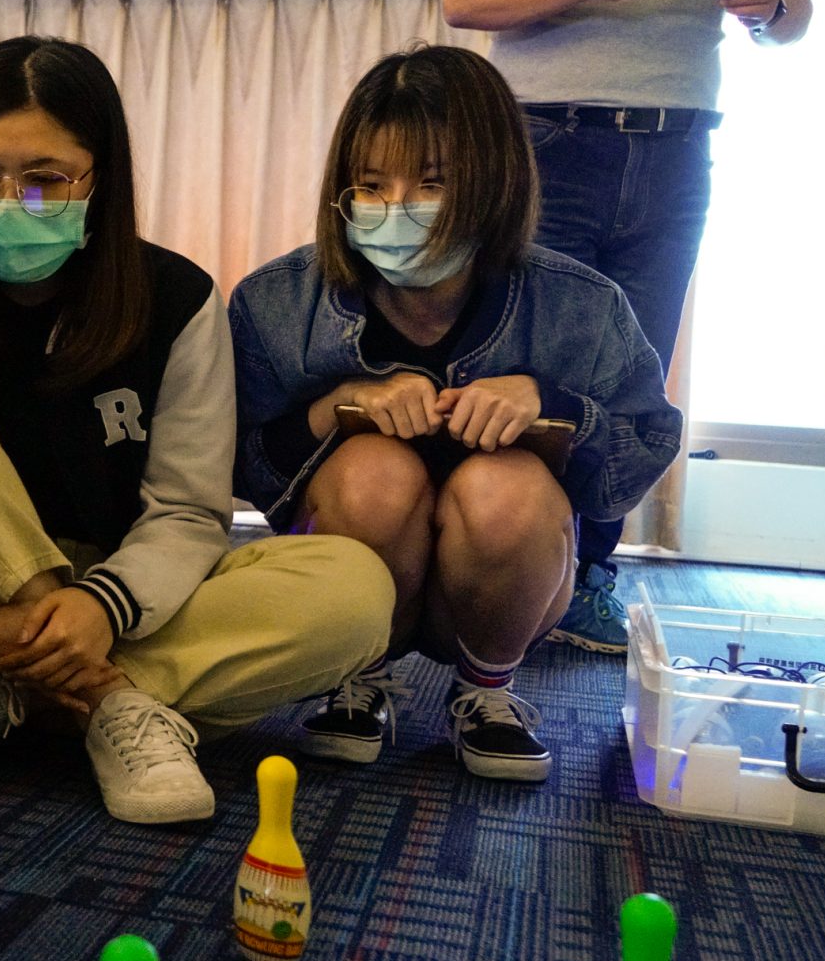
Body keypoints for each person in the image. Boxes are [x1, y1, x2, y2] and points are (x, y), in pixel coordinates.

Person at [0, 37, 394, 825]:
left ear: (98, 180)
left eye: (46, 181)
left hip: (118, 609)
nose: (11, 203)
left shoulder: (176, 300)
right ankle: (109, 700)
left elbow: (187, 512)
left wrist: (100, 611)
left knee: (356, 587)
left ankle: (14, 696)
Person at [443, 0, 809, 654]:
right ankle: (496, 558)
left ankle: (589, 572)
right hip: (544, 146)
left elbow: (793, 20)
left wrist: (768, 2)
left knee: (631, 370)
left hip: (679, 151)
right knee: (514, 357)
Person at [229, 46, 682, 782]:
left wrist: (556, 405)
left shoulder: (581, 304)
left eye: (432, 183)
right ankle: (358, 673)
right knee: (373, 472)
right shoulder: (276, 300)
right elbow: (237, 470)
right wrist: (332, 410)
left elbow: (637, 460)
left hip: (509, 582)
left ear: (494, 184)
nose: (396, 208)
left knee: (506, 484)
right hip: (349, 577)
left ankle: (488, 689)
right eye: (371, 185)